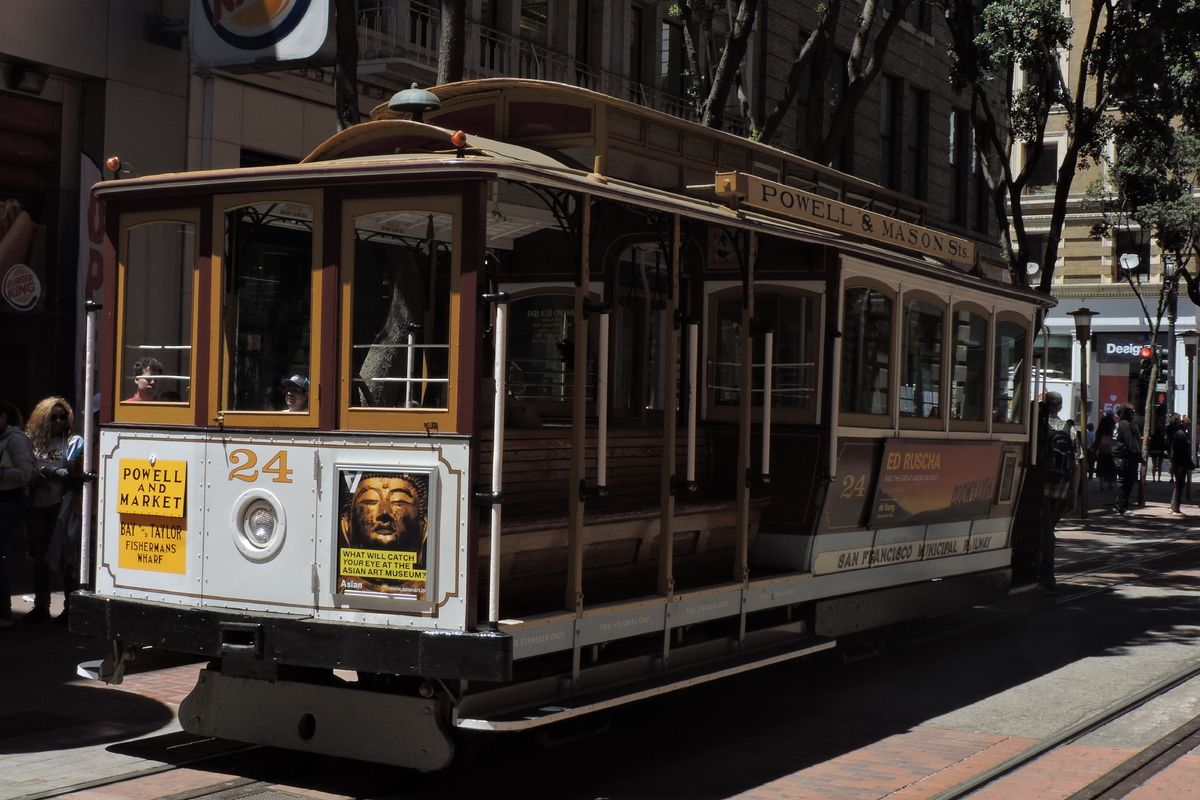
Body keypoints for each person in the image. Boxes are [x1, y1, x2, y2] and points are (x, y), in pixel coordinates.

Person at [24, 397, 84, 623]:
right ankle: (41, 607)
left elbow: (73, 470)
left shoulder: (72, 441)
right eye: (53, 417)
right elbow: (26, 468)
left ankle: (70, 609)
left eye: (63, 416)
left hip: (63, 506)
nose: (59, 421)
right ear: (43, 418)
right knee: (39, 558)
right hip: (38, 506)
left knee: (67, 559)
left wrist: (51, 472)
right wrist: (42, 475)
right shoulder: (34, 441)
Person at [337, 471, 428, 594]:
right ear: (346, 525)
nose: (384, 512)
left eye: (399, 501)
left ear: (424, 527)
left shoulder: (431, 591)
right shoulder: (339, 589)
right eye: (370, 501)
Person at [1033, 391, 1078, 592]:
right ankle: (1046, 573)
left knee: (1043, 530)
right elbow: (1077, 465)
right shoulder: (1070, 428)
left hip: (1040, 485)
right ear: (1059, 407)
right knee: (1048, 529)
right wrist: (1073, 495)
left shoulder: (1039, 426)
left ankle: (1045, 575)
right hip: (1061, 487)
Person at [0, 399, 34, 631]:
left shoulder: (16, 440)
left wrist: (2, 473)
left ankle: (4, 614)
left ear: (4, 416)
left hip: (9, 503)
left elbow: (26, 474)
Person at [1111, 403, 1143, 517]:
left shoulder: (1121, 424)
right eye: (1131, 412)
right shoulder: (1125, 425)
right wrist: (1139, 456)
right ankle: (1122, 507)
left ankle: (1119, 504)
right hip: (1125, 458)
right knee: (1125, 483)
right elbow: (1131, 443)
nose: (1133, 414)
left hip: (1122, 457)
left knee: (1124, 482)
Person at [1169, 417, 1192, 515]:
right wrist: (1181, 464)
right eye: (1188, 424)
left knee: (1179, 485)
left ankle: (1173, 506)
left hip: (1179, 463)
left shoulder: (1181, 433)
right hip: (1179, 464)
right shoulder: (1180, 434)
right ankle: (1175, 508)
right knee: (1179, 485)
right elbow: (1179, 451)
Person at [1095, 410, 1117, 489]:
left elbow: (1097, 438)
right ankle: (1110, 484)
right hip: (1110, 450)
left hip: (1101, 450)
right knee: (1110, 468)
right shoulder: (1113, 424)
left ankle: (1101, 485)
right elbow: (1115, 439)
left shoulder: (1100, 429)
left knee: (1101, 468)